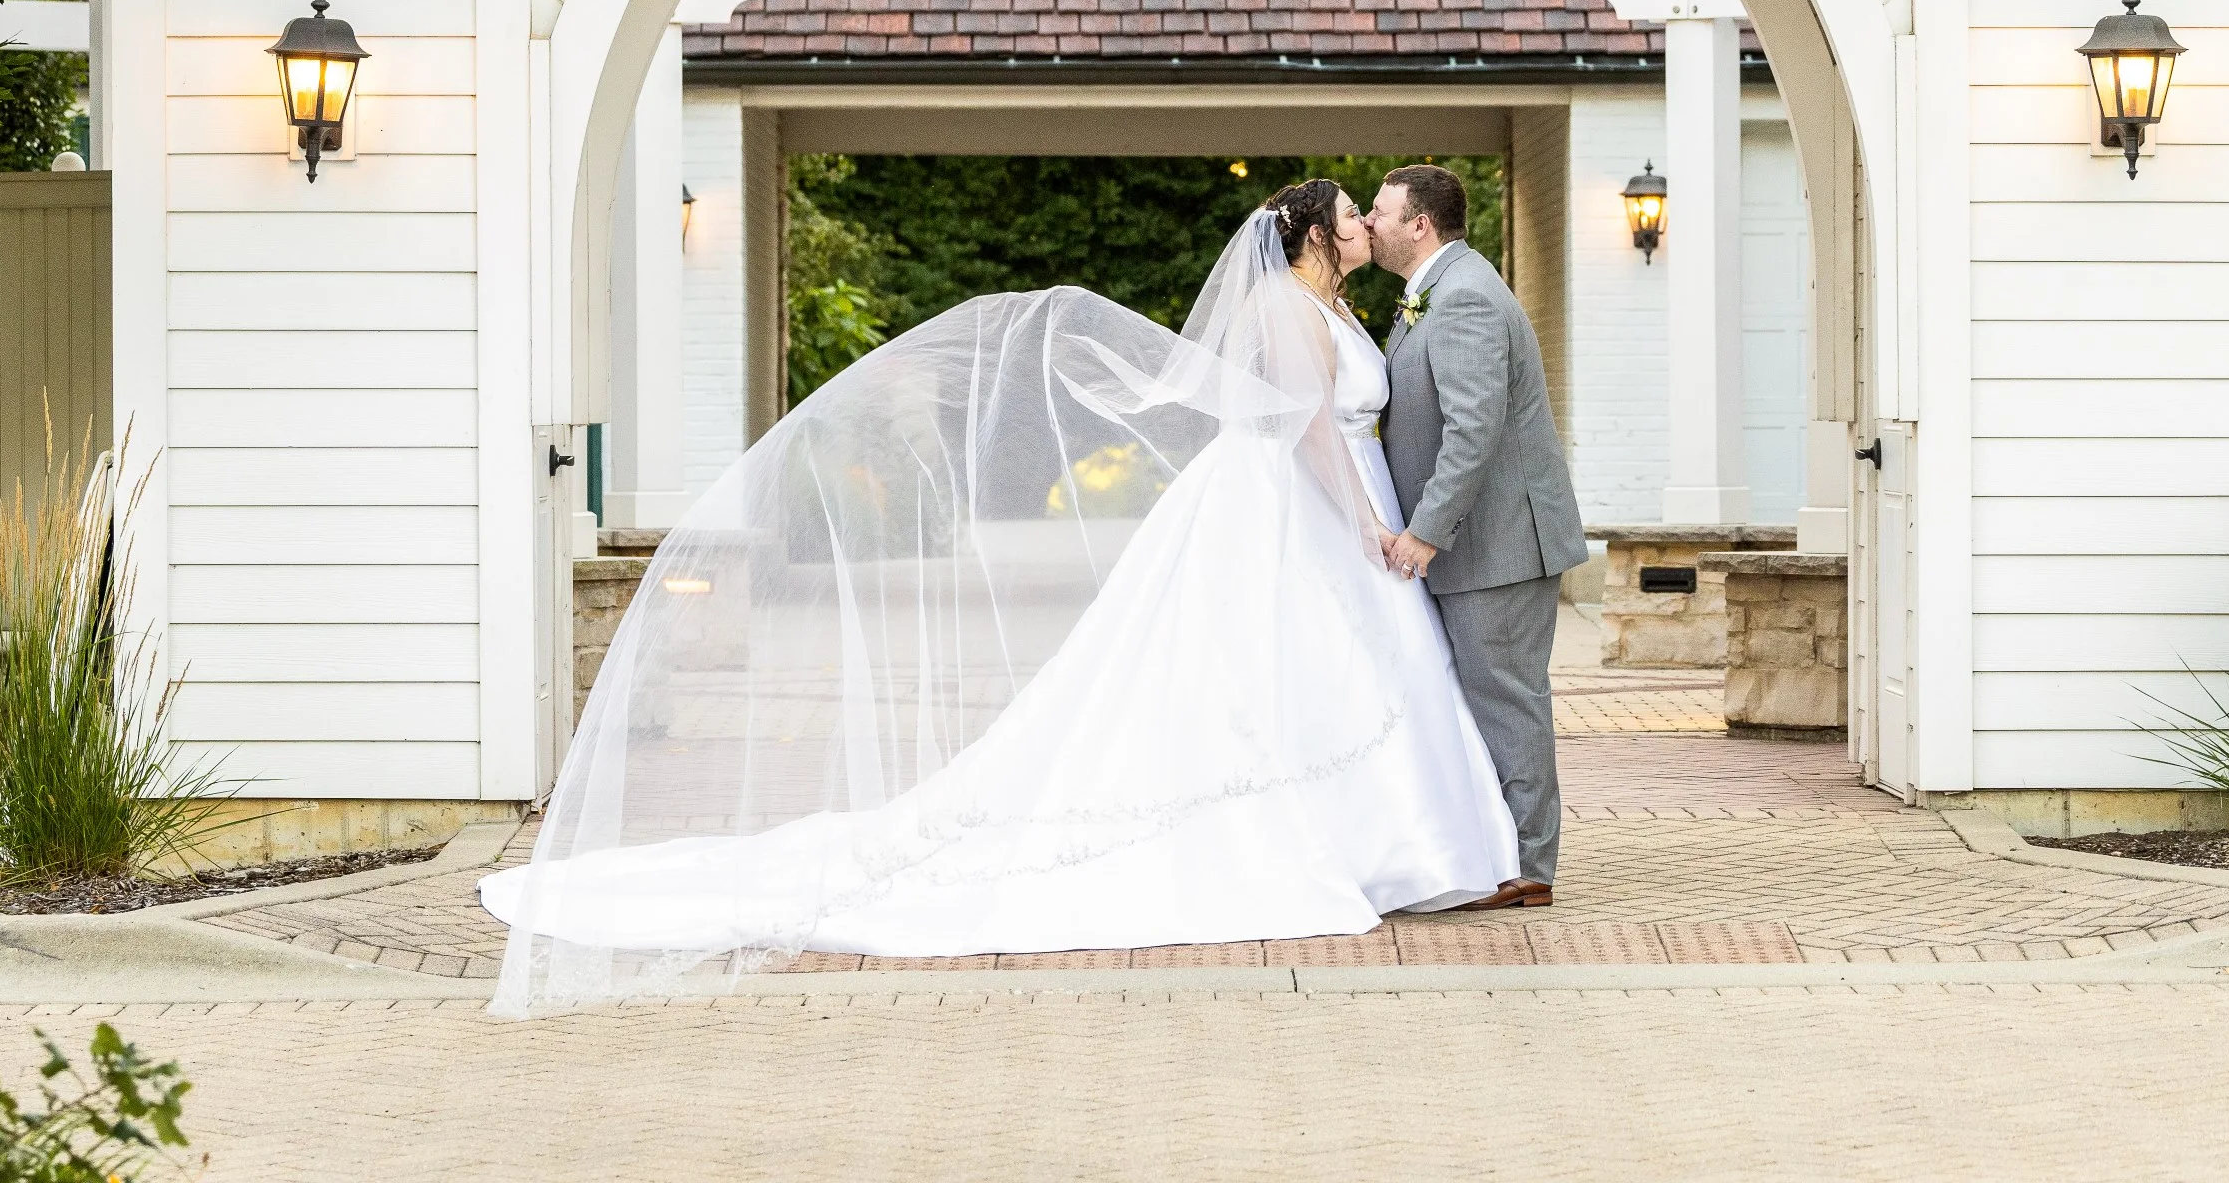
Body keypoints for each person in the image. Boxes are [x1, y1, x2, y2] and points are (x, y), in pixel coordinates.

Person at [481, 180, 1530, 1014]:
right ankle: (1338, 842)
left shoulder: (1336, 302)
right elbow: (1307, 428)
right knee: (1268, 671)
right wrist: (1364, 524)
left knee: (1341, 674)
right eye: (1352, 213)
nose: (1365, 224)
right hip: (1306, 505)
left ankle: (1404, 846)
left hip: (1347, 504)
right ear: (1311, 232)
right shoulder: (1284, 308)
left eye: (1370, 212)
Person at [1367, 164, 1589, 908]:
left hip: (1497, 545)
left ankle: (1528, 866)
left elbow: (1474, 430)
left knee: (1507, 697)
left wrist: (1427, 531)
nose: (1369, 223)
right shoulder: (1438, 291)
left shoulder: (1461, 299)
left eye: (1380, 211)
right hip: (1481, 543)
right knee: (1488, 695)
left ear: (1419, 225)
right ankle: (1499, 848)